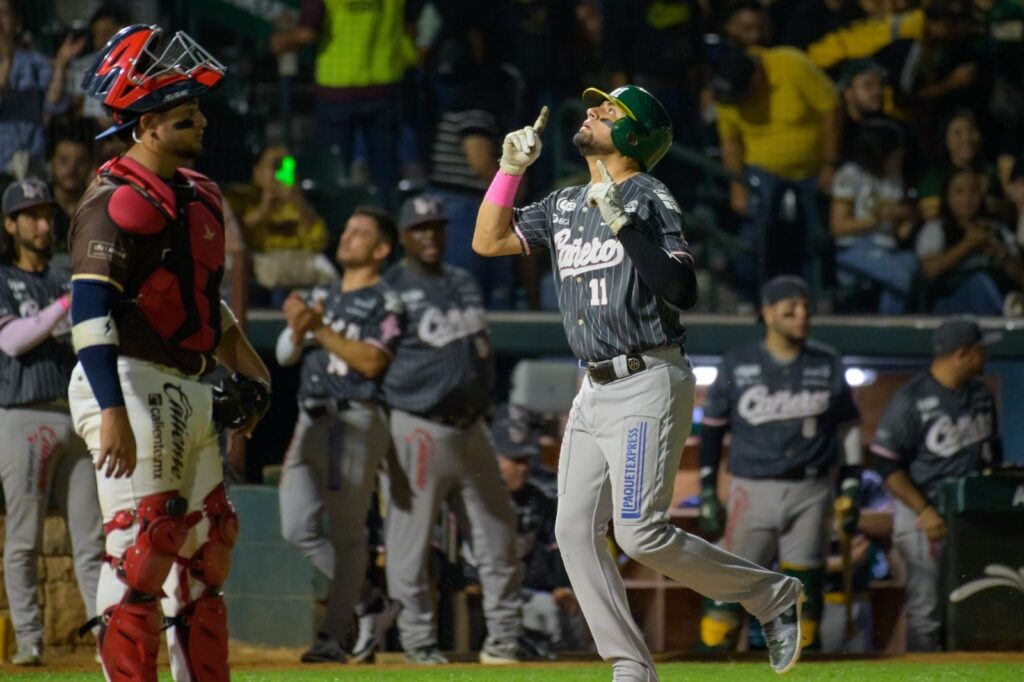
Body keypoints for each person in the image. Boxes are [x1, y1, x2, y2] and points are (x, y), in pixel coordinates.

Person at [473, 85, 803, 680]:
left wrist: (622, 223)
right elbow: (488, 240)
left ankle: (771, 596)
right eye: (598, 105)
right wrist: (508, 170)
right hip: (592, 387)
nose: (594, 110)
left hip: (647, 374)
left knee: (639, 533)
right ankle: (631, 667)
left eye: (611, 110)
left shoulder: (649, 194)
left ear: (634, 135)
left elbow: (682, 290)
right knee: (572, 530)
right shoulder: (565, 201)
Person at [68, 25, 271, 681]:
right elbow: (90, 313)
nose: (202, 123)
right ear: (148, 123)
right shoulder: (114, 202)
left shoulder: (198, 193)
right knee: (143, 545)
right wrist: (111, 411)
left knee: (208, 545)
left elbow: (202, 297)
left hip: (187, 380)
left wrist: (248, 362)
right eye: (187, 116)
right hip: (125, 376)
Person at [382, 194, 524, 665]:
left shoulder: (464, 281)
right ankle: (418, 639)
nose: (431, 236)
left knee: (499, 536)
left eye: (437, 227)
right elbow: (375, 362)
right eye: (420, 228)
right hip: (418, 427)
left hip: (472, 429)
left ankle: (504, 638)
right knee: (410, 542)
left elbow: (481, 358)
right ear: (403, 237)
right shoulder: (391, 289)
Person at [697, 275, 862, 653]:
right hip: (750, 487)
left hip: (812, 488)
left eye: (805, 308)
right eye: (790, 309)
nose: (801, 316)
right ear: (767, 313)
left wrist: (851, 482)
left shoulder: (828, 362)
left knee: (804, 606)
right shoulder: (738, 363)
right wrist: (707, 486)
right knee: (725, 602)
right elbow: (711, 430)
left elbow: (848, 427)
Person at [275, 206, 403, 663]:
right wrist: (298, 327)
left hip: (355, 417)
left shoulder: (387, 300)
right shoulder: (321, 293)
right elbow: (286, 354)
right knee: (295, 526)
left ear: (381, 249)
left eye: (360, 232)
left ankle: (334, 637)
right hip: (311, 418)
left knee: (348, 534)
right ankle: (370, 601)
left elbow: (371, 362)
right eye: (346, 228)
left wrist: (317, 327)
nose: (346, 236)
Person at [0, 178, 104, 666]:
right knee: (25, 538)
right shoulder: (5, 279)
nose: (42, 224)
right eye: (30, 215)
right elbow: (14, 340)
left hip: (76, 416)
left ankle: (110, 639)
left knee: (93, 540)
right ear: (10, 224)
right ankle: (29, 640)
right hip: (24, 415)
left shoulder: (67, 274)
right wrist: (66, 307)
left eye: (46, 214)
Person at [871, 317, 1003, 651]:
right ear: (961, 354)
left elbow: (991, 453)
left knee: (968, 603)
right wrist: (924, 510)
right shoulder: (911, 398)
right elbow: (885, 462)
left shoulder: (980, 394)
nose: (985, 355)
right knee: (926, 610)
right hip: (924, 513)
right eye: (979, 349)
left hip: (967, 516)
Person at [711, 41, 840, 298]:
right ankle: (746, 293)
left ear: (756, 75)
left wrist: (830, 163)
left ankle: (816, 296)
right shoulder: (728, 92)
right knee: (753, 223)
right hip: (762, 168)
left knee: (818, 233)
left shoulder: (790, 65)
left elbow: (830, 109)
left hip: (813, 167)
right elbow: (731, 142)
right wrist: (738, 186)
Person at [270, 0, 416, 197]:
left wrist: (282, 40)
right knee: (385, 177)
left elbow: (307, 32)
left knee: (331, 175)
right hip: (384, 84)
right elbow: (412, 25)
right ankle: (384, 222)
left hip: (337, 89)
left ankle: (336, 222)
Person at [487, 404, 588, 656]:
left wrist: (562, 586)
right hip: (490, 593)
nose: (523, 467)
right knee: (546, 613)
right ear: (493, 459)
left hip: (530, 591)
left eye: (526, 460)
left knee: (574, 609)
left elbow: (556, 547)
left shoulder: (536, 499)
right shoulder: (478, 500)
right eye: (515, 460)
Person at [830, 119, 919, 313]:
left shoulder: (895, 178)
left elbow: (900, 234)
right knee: (902, 276)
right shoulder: (851, 174)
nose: (901, 154)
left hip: (887, 249)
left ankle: (890, 324)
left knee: (913, 264)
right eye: (896, 149)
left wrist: (909, 219)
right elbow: (838, 227)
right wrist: (881, 217)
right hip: (853, 249)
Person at [224, 145, 331, 305]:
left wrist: (298, 202)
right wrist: (264, 208)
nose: (279, 173)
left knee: (327, 271)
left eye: (285, 166)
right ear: (257, 172)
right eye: (274, 166)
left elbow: (319, 241)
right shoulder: (243, 198)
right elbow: (236, 238)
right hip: (259, 261)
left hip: (297, 260)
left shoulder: (299, 203)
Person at [915, 169, 1024, 315]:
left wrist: (999, 253)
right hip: (950, 299)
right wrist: (969, 244)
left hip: (996, 293)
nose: (967, 198)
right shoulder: (936, 229)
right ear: (947, 196)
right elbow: (931, 269)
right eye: (959, 192)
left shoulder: (996, 229)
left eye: (973, 191)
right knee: (980, 283)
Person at [0, 0, 77, 175]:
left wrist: (61, 66)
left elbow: (54, 104)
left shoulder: (34, 62)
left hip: (32, 161)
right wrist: (6, 58)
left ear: (16, 19)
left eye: (4, 14)